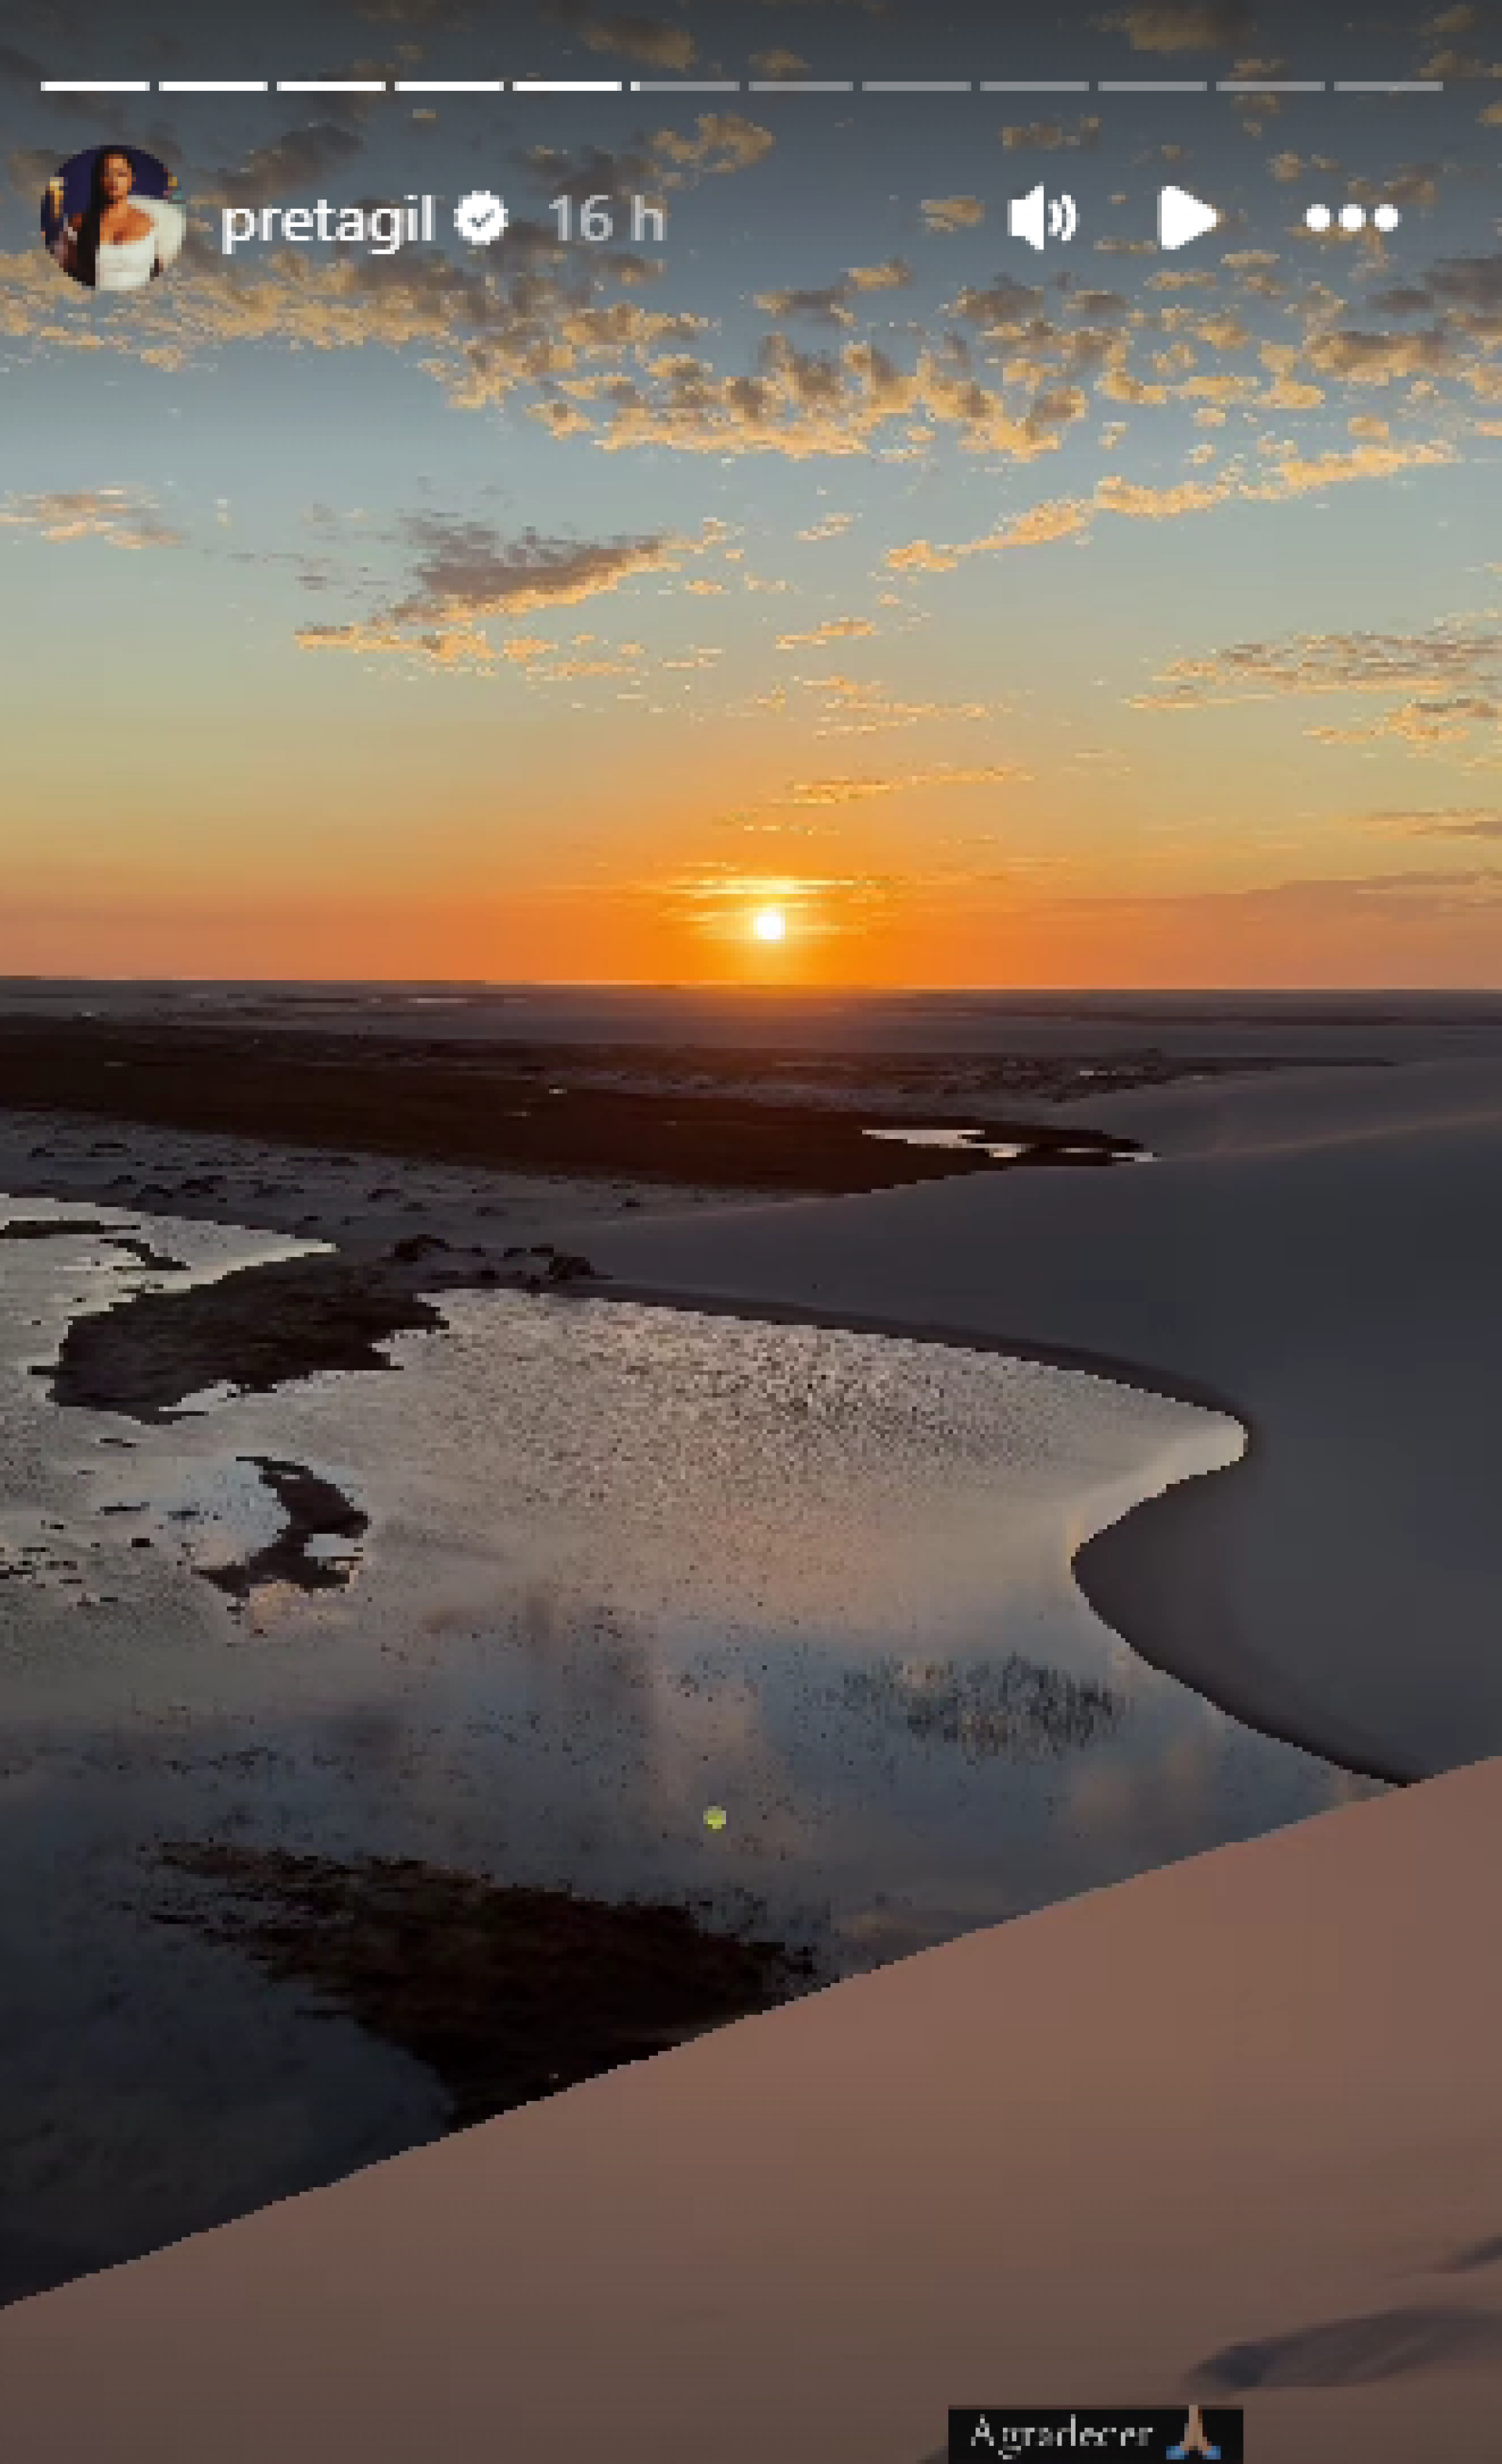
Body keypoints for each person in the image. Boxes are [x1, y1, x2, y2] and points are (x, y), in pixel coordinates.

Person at [53, 148, 184, 292]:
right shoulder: (77, 224)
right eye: (107, 174)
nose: (114, 180)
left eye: (120, 174)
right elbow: (67, 272)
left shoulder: (153, 223)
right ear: (98, 179)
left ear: (132, 178)